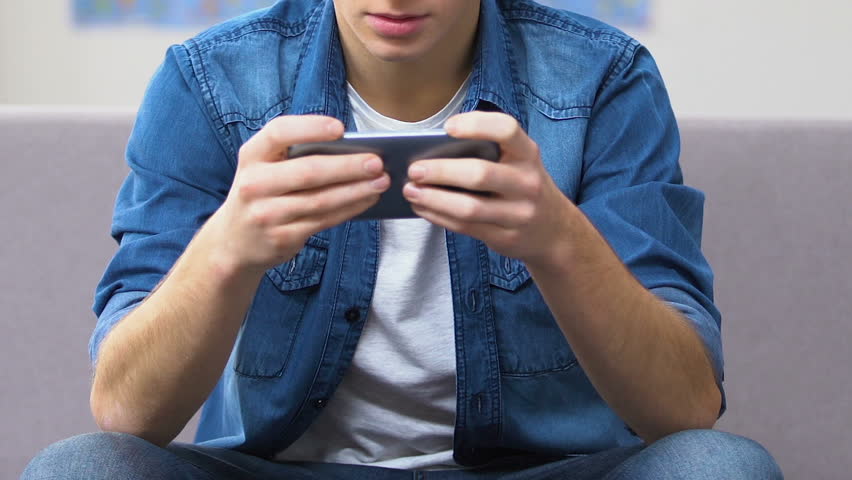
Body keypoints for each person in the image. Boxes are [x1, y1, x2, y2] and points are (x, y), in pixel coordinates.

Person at [23, 0, 783, 478]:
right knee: (79, 470)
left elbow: (684, 410)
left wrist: (559, 240)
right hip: (283, 468)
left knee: (722, 468)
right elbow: (127, 414)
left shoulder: (605, 79)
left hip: (547, 468)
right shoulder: (210, 83)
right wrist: (228, 248)